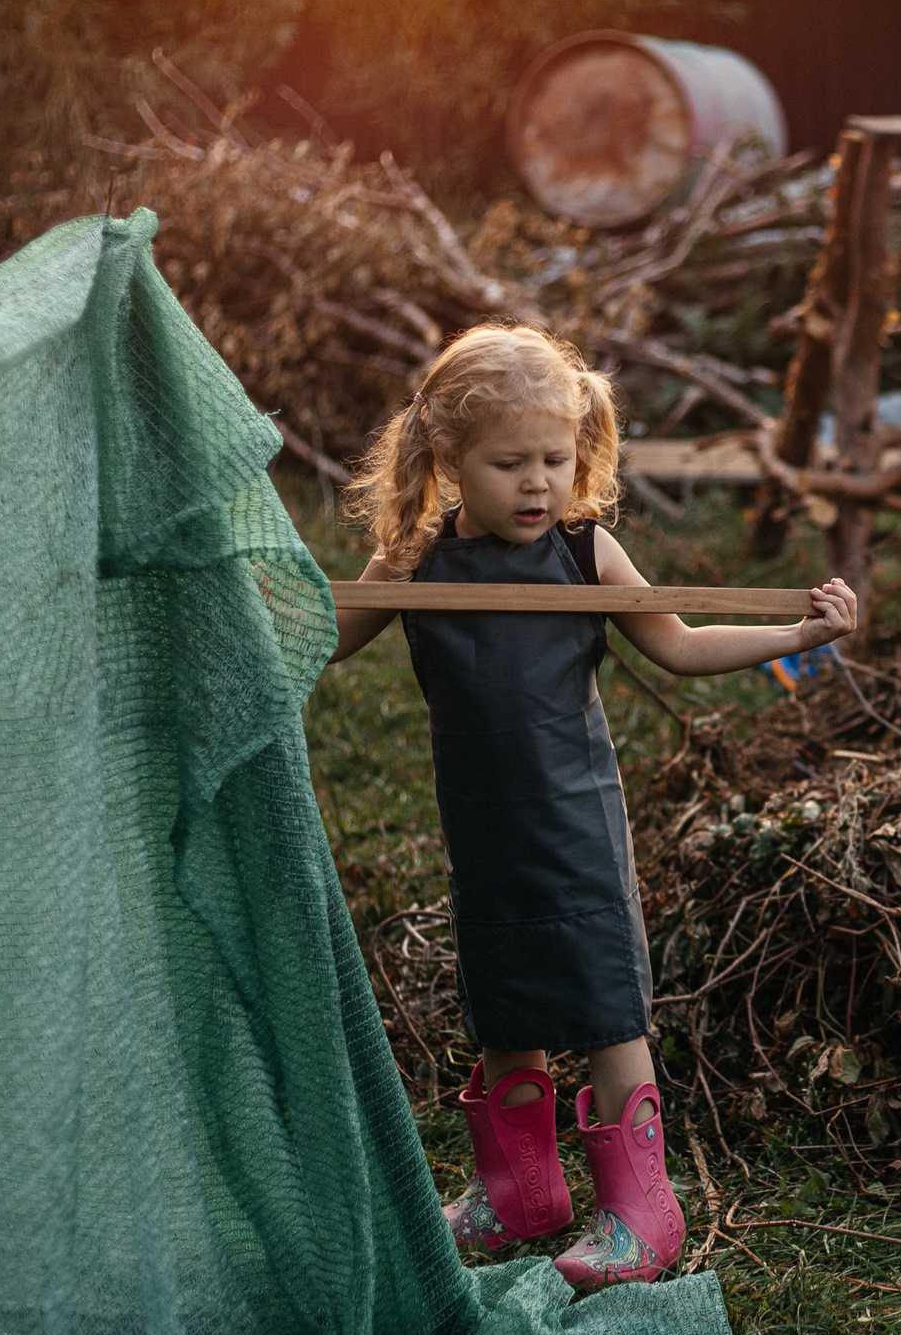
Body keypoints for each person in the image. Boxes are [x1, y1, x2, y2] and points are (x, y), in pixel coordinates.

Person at [329, 324, 858, 1286]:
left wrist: (795, 633)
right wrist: (235, 601)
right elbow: (320, 637)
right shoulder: (415, 560)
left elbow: (680, 643)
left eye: (555, 459)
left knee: (605, 1006)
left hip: (574, 826)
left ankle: (643, 1211)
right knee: (504, 1001)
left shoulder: (584, 552)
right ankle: (520, 1192)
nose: (538, 483)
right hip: (482, 828)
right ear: (449, 458)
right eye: (510, 464)